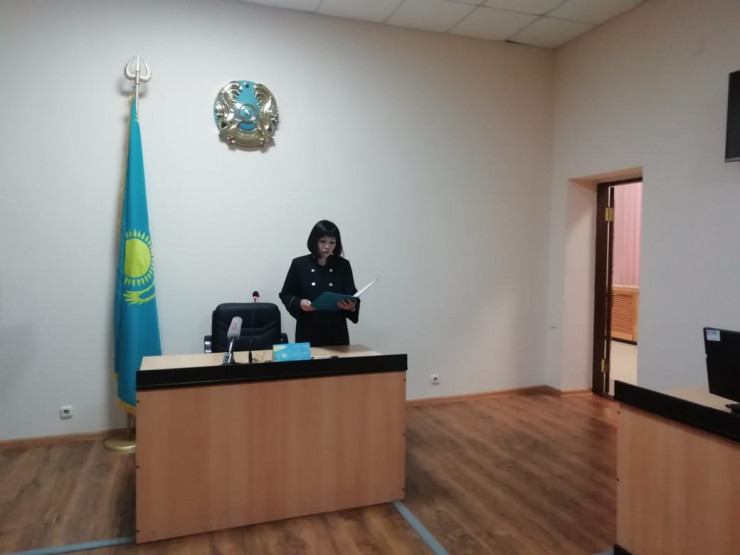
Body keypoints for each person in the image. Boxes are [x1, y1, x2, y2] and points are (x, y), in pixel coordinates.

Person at [279, 220, 359, 346]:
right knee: (309, 359)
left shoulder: (343, 265)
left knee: (339, 359)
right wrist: (300, 303)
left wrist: (352, 306)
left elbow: (352, 294)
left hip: (337, 331)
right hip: (308, 330)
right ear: (314, 241)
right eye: (323, 241)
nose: (327, 246)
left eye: (332, 242)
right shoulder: (299, 264)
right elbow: (286, 294)